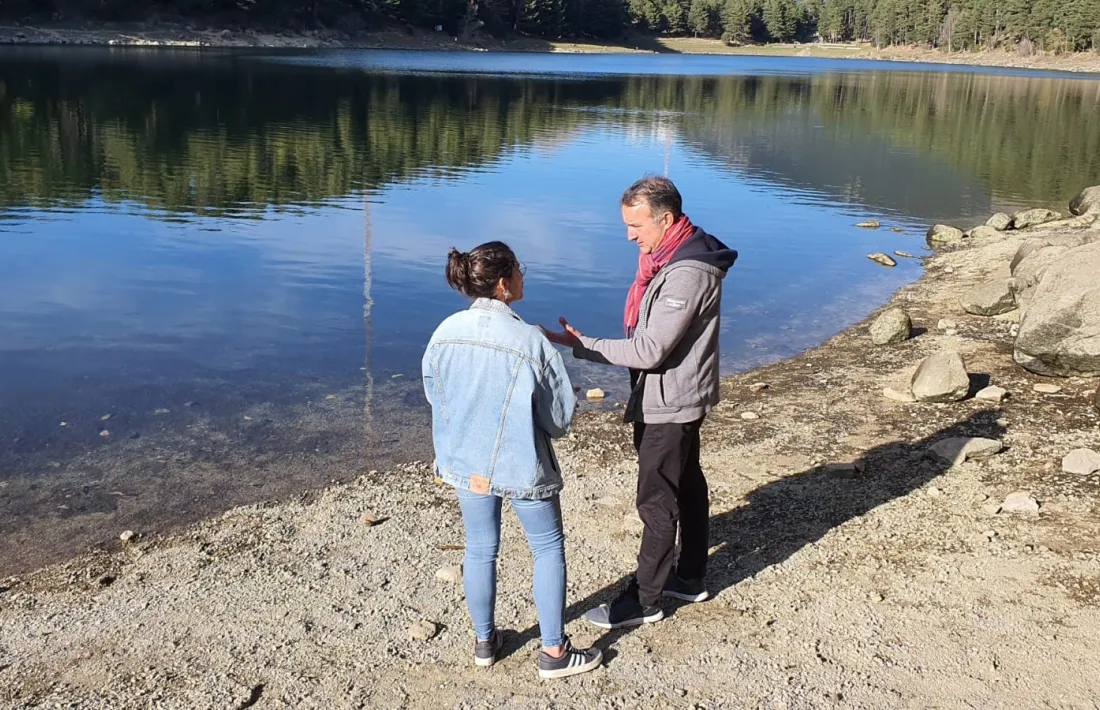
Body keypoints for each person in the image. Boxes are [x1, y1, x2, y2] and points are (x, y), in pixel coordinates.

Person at [542, 176, 737, 630]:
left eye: (637, 226)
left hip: (670, 402)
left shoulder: (686, 273)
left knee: (657, 500)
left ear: (666, 220)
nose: (630, 236)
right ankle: (689, 577)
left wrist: (585, 346)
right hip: (677, 395)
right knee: (686, 484)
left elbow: (650, 350)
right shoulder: (673, 257)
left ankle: (645, 600)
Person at [422, 241, 603, 679]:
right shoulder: (530, 341)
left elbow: (435, 395)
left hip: (467, 461)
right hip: (522, 463)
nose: (524, 276)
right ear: (504, 284)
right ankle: (554, 652)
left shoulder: (444, 331)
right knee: (547, 547)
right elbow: (559, 421)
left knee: (480, 548)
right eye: (520, 270)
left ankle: (485, 641)